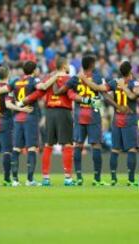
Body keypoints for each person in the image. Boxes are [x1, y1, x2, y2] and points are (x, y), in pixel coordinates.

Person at [80, 61, 139, 186]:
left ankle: (113, 178)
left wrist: (85, 80)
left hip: (117, 119)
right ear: (130, 71)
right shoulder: (133, 83)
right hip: (129, 118)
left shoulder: (113, 82)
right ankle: (131, 179)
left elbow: (99, 89)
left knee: (115, 149)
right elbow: (134, 95)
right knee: (132, 149)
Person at [54, 54, 108, 186]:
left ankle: (78, 177)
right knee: (96, 145)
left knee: (78, 145)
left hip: (79, 115)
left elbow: (62, 91)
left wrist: (56, 88)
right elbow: (104, 94)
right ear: (92, 65)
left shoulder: (75, 79)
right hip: (93, 115)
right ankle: (97, 179)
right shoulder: (97, 77)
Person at [25, 57, 76, 186]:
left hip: (50, 113)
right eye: (68, 64)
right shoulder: (69, 79)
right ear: (64, 66)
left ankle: (46, 178)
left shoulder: (48, 78)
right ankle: (68, 178)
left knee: (48, 145)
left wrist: (26, 99)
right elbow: (71, 95)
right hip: (64, 112)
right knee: (68, 145)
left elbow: (39, 93)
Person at [0, 66, 33, 186]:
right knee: (7, 152)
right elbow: (8, 105)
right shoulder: (8, 88)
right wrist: (21, 108)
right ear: (8, 74)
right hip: (5, 121)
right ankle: (7, 179)